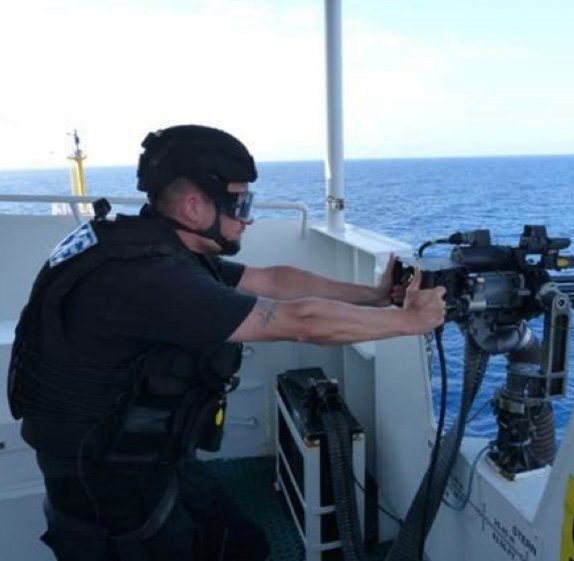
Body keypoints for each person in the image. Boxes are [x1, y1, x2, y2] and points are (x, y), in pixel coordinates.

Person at [7, 124, 446, 561]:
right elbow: (302, 322)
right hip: (108, 493)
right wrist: (409, 322)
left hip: (144, 461)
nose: (249, 216)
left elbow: (275, 281)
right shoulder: (148, 279)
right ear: (195, 206)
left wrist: (373, 295)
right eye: (241, 202)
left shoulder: (154, 247)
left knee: (242, 544)